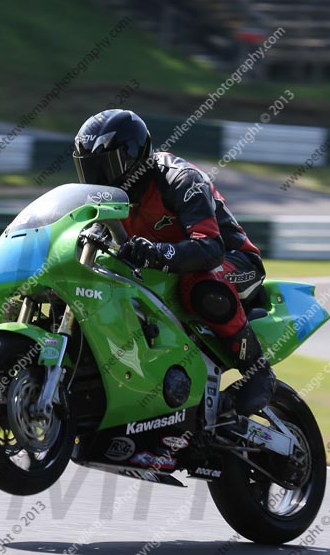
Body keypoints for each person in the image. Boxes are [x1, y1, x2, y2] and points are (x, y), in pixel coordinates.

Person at [72, 108, 276, 416]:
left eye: (106, 168)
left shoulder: (180, 179)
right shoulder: (105, 198)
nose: (98, 180)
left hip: (234, 261)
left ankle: (257, 370)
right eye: (90, 171)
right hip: (168, 269)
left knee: (201, 284)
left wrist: (157, 253)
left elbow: (211, 248)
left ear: (134, 157)